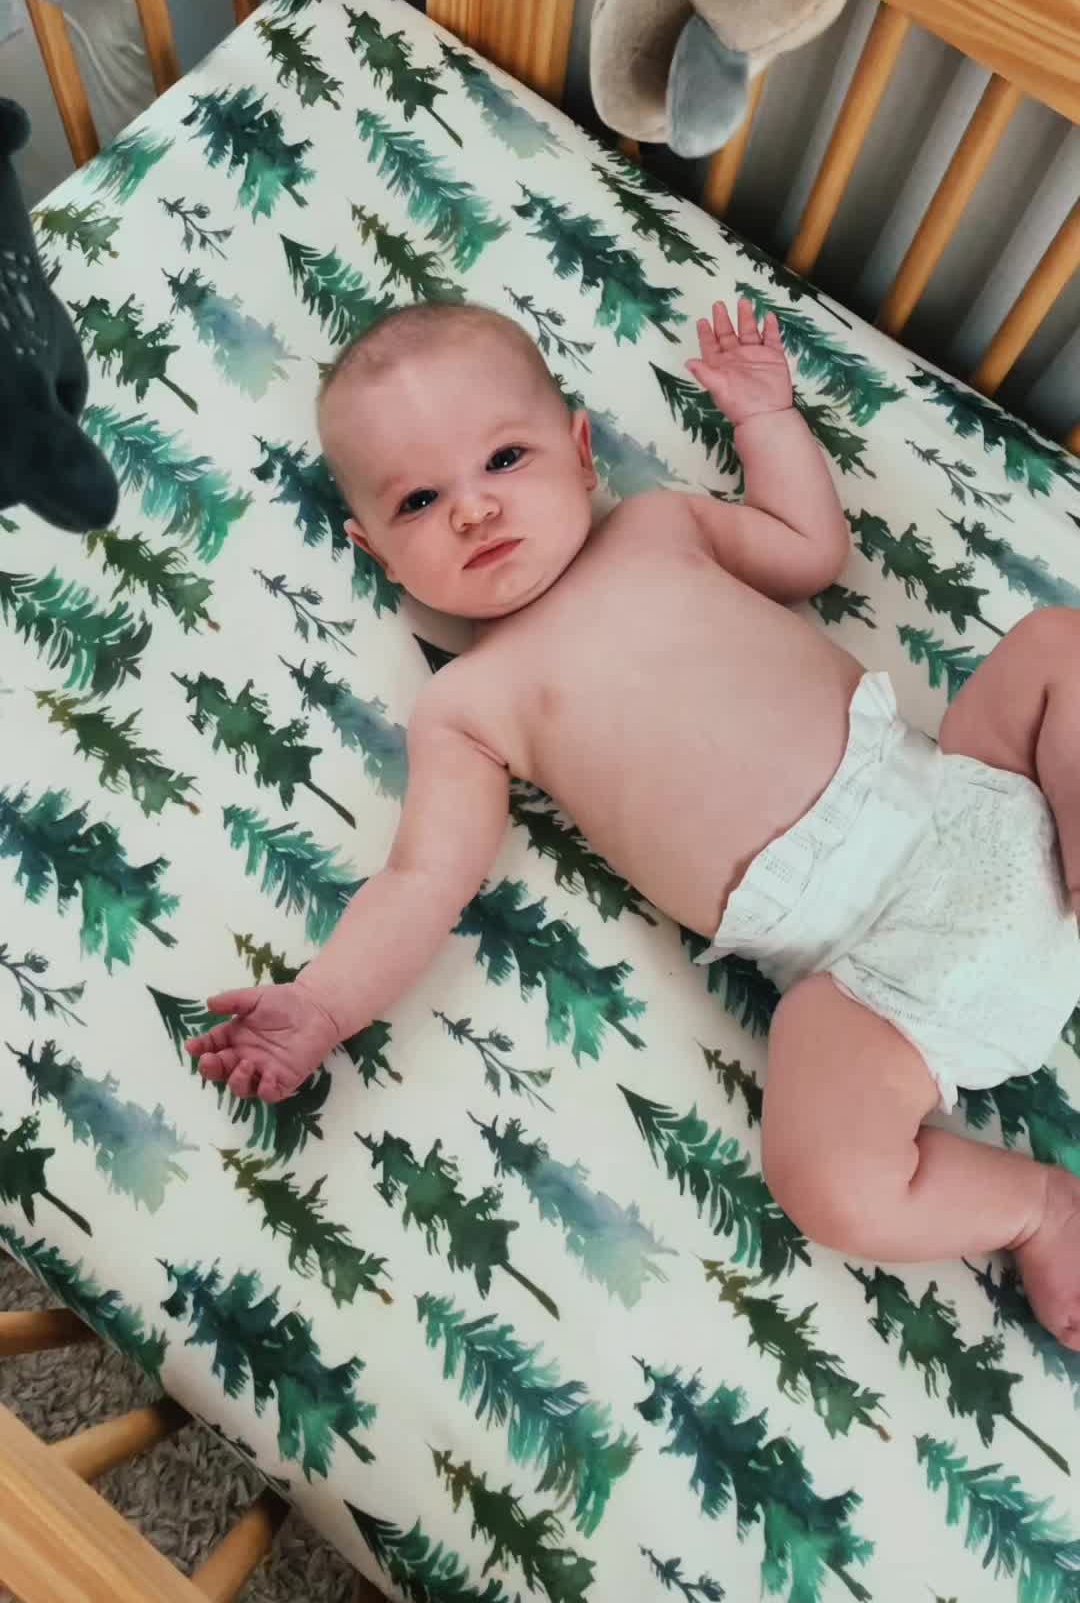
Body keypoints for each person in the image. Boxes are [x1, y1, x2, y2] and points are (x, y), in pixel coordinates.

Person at [189, 298, 1080, 1349]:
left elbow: (809, 552)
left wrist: (765, 419)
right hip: (869, 985)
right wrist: (322, 1003)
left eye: (504, 459)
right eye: (420, 500)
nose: (473, 509)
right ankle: (1039, 1207)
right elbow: (423, 878)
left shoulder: (661, 526)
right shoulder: (470, 706)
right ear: (375, 550)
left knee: (1056, 644)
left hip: (978, 810)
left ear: (580, 453)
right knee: (827, 1179)